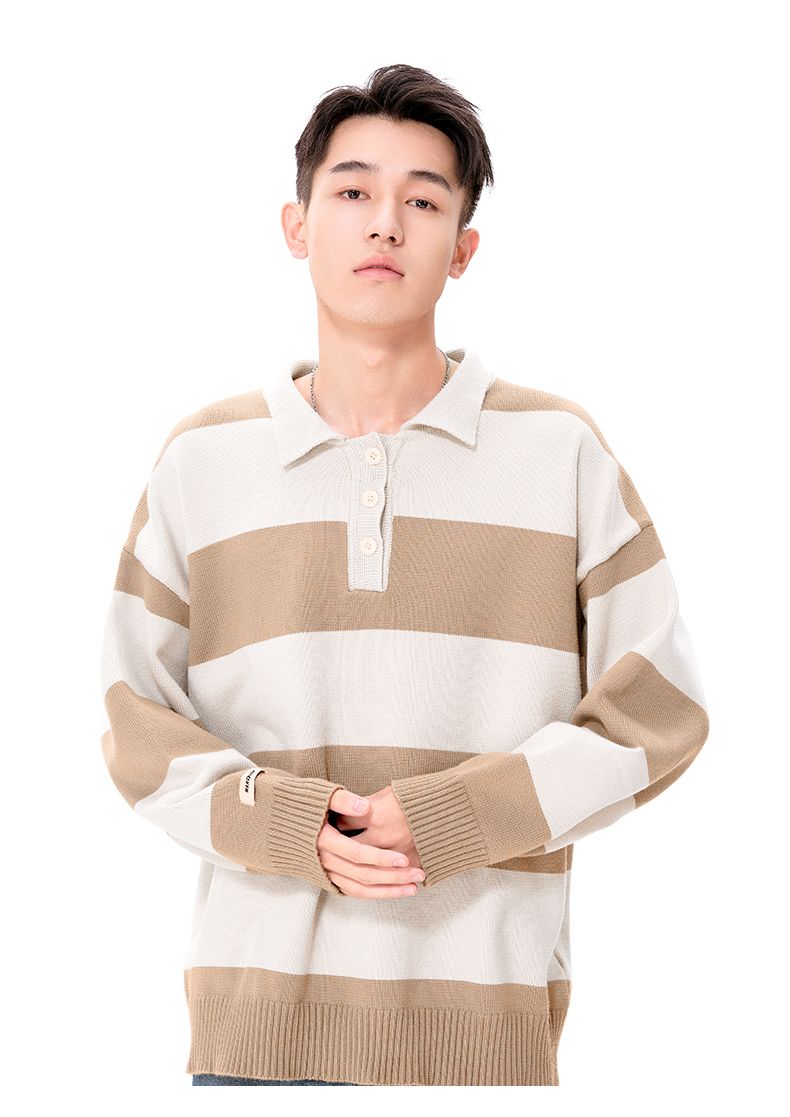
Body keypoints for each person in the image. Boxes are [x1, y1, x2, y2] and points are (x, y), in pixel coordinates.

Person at [99, 63, 710, 1087]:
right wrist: (289, 823)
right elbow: (135, 722)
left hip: (484, 1036)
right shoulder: (201, 461)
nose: (385, 223)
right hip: (256, 1035)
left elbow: (661, 712)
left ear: (462, 247)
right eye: (352, 190)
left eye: (423, 201)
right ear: (297, 225)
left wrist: (453, 815)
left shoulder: (560, 453)